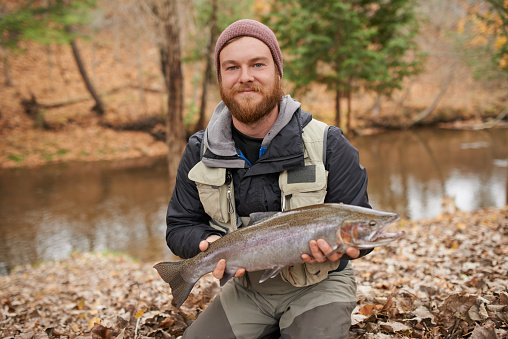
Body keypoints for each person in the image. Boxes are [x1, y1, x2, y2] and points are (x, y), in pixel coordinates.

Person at [165, 19, 371, 339]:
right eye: (232, 67)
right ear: (220, 78)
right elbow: (179, 228)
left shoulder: (329, 143)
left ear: (278, 73)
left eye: (257, 64)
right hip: (247, 289)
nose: (245, 77)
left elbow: (359, 226)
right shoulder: (198, 151)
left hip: (320, 285)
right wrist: (207, 246)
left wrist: (342, 249)